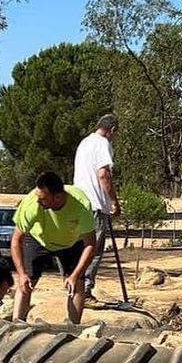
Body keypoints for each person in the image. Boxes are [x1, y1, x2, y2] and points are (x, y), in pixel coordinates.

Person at [10, 171, 97, 323]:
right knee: (26, 282)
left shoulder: (81, 205)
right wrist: (21, 274)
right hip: (38, 238)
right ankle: (16, 325)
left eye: (42, 199)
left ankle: (73, 328)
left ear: (57, 197)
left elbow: (90, 244)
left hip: (71, 242)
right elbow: (16, 240)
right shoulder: (32, 204)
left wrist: (74, 275)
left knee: (77, 285)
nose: (38, 201)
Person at [73, 113, 121, 297]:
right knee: (93, 249)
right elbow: (104, 175)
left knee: (79, 248)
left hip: (78, 203)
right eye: (115, 133)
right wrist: (113, 202)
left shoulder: (84, 142)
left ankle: (74, 285)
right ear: (112, 130)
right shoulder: (103, 144)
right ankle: (84, 289)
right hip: (95, 205)